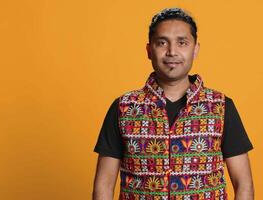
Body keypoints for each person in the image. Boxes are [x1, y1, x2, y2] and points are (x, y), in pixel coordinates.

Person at [92, 7, 254, 200]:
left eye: (182, 42)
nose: (172, 52)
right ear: (149, 50)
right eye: (162, 43)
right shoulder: (123, 108)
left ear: (195, 49)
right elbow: (104, 185)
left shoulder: (221, 106)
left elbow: (243, 183)